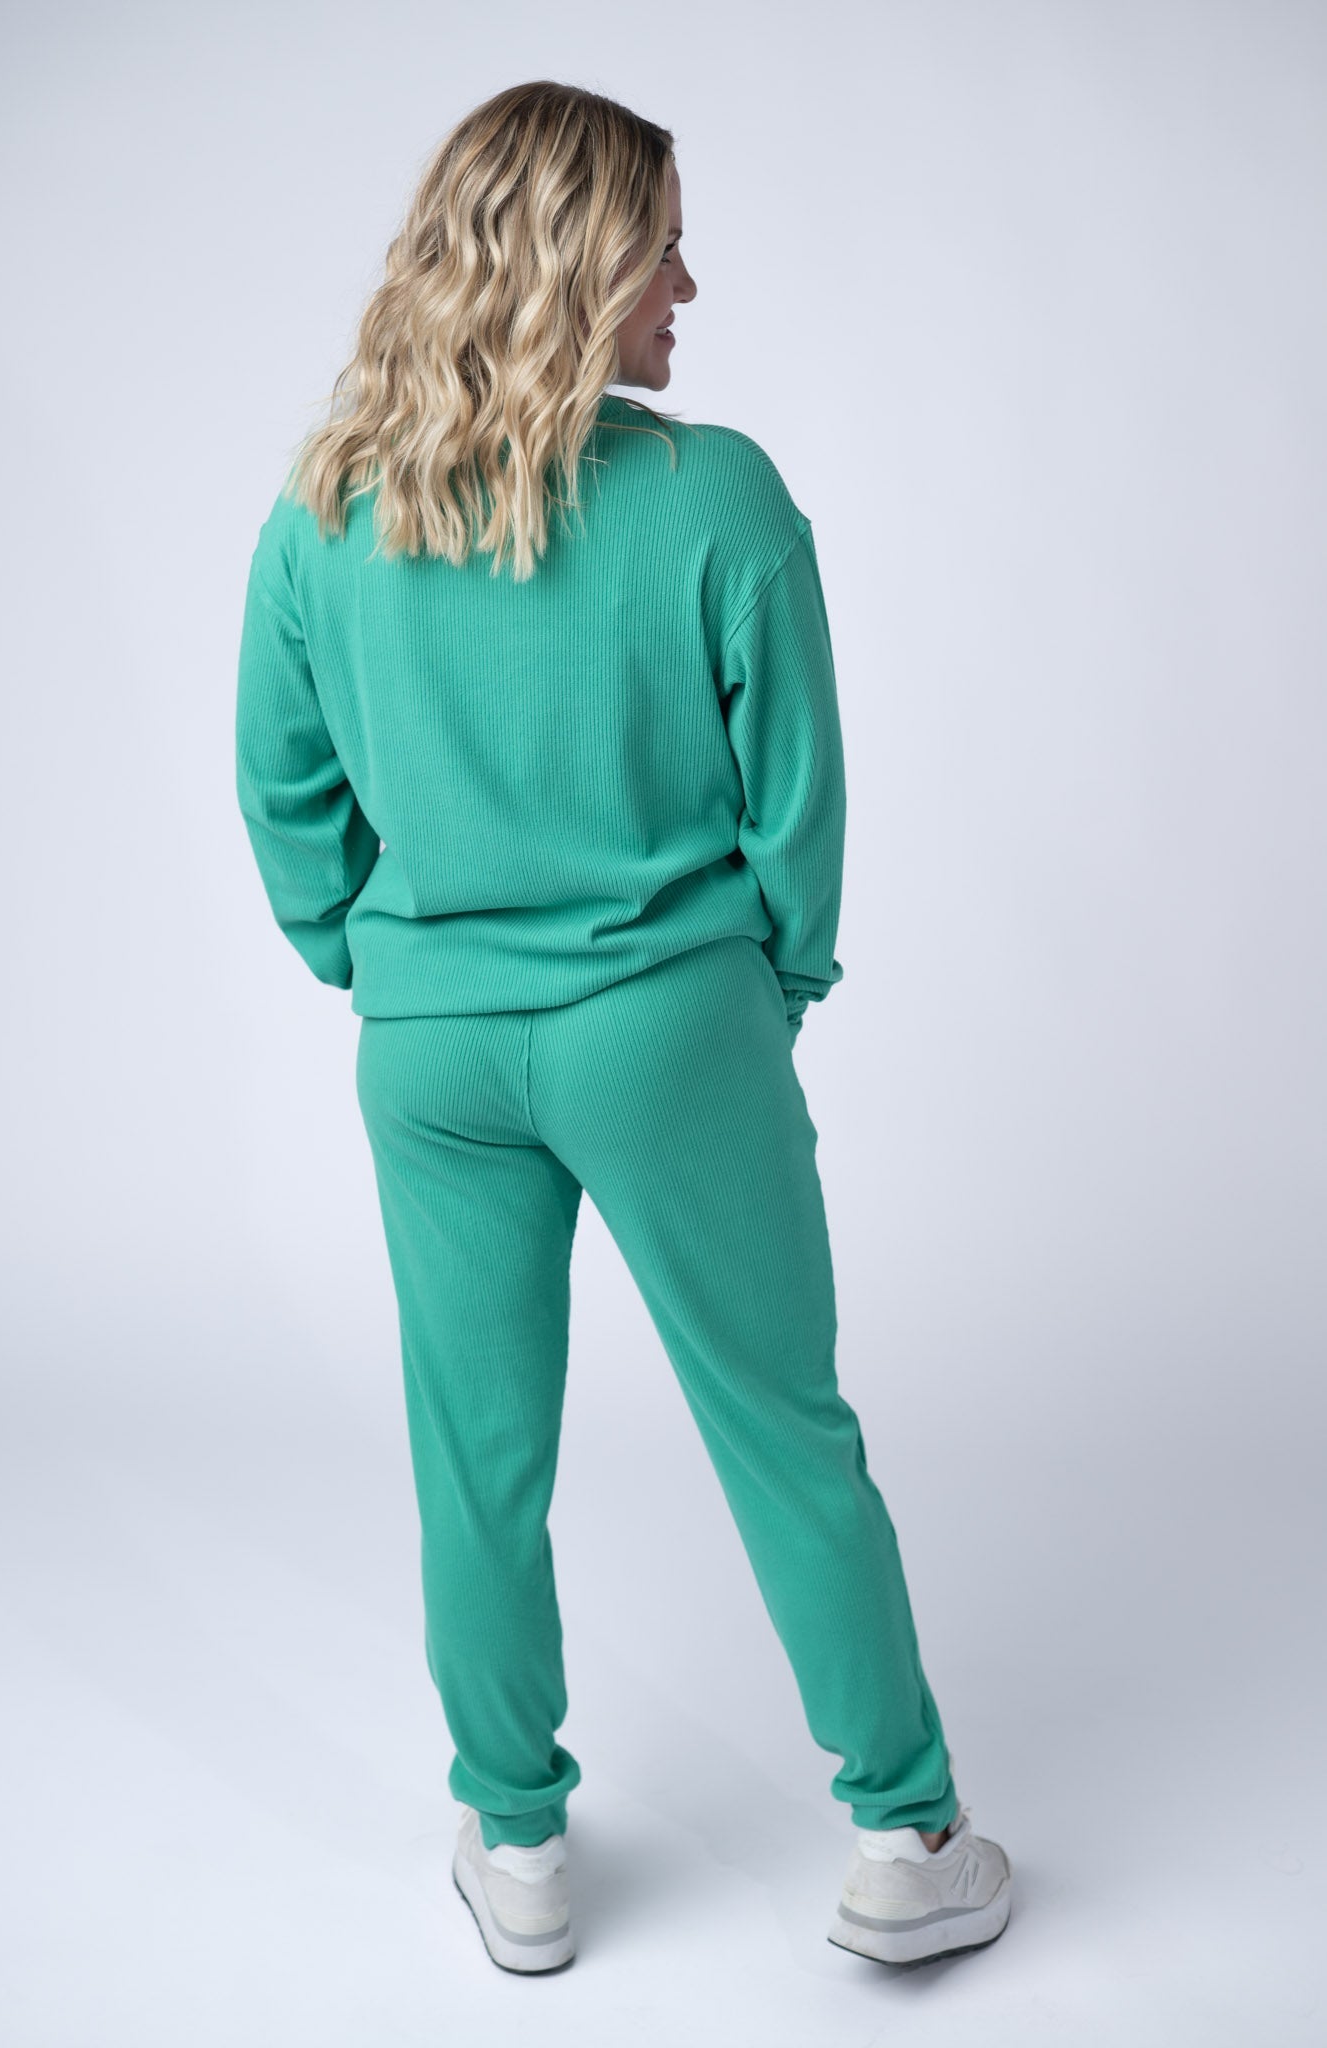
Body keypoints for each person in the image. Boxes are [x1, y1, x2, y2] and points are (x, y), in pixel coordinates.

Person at [234, 79, 1011, 1975]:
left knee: (473, 1453)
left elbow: (286, 793)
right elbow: (797, 805)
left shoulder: (327, 510)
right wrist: (768, 990)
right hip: (665, 1028)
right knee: (782, 1425)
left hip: (432, 1054)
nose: (688, 282)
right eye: (662, 244)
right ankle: (904, 1837)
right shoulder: (714, 497)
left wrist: (385, 962)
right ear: (581, 264)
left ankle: (514, 1847)